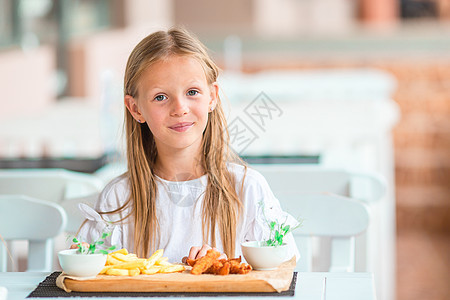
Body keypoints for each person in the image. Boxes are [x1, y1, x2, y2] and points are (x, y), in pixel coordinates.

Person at [77, 27, 300, 263]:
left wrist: (227, 269)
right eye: (160, 97)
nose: (180, 108)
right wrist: (84, 258)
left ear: (212, 97)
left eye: (192, 92)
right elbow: (94, 276)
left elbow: (283, 267)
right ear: (135, 108)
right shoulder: (119, 198)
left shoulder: (247, 188)